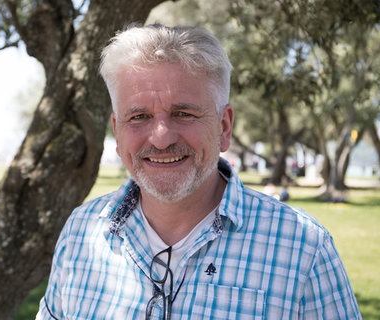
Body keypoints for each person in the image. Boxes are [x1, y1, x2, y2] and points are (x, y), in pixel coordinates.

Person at [37, 24, 361, 319]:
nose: (161, 137)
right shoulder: (80, 232)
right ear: (117, 131)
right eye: (138, 117)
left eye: (183, 113)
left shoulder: (304, 249)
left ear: (224, 126)